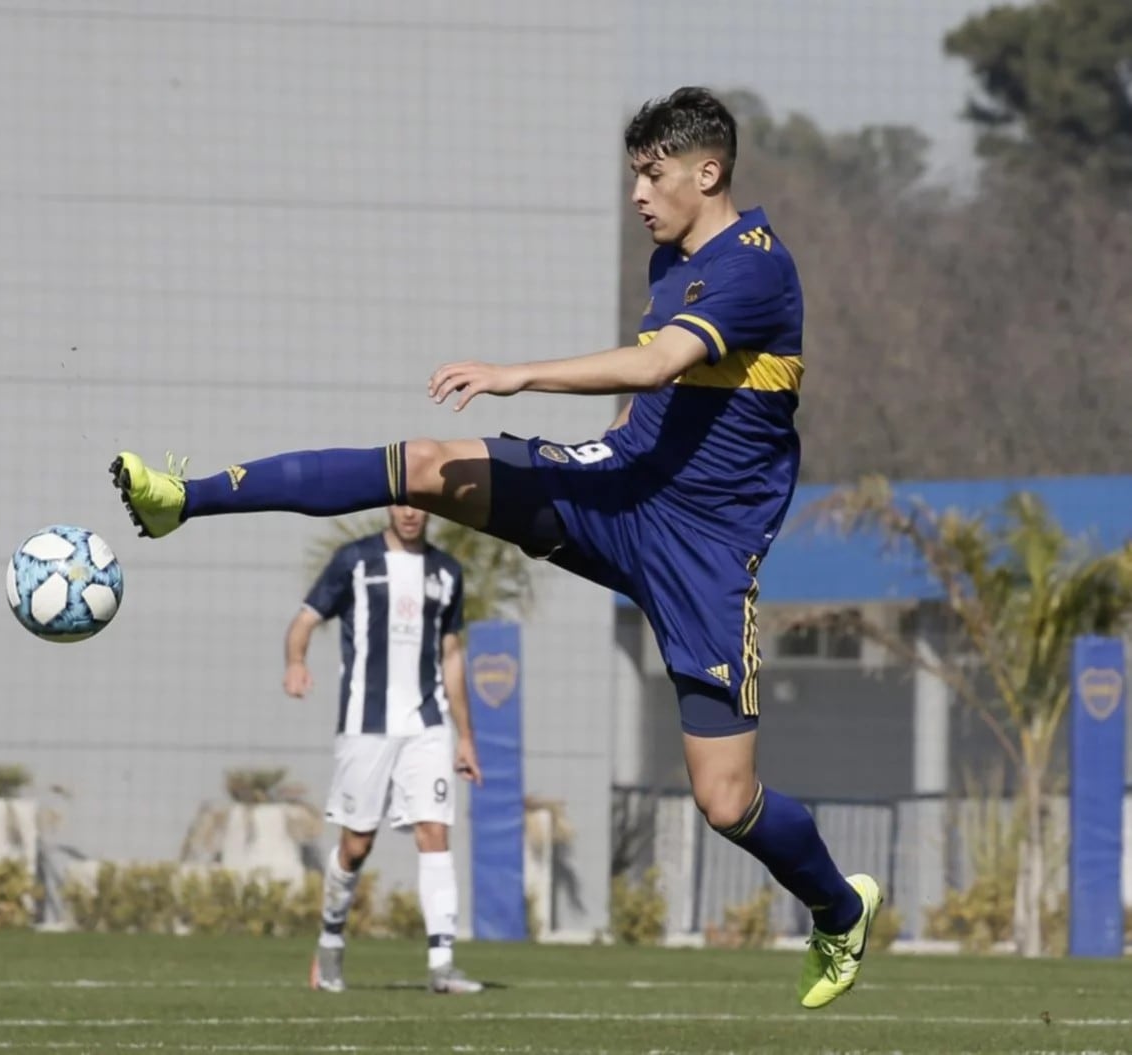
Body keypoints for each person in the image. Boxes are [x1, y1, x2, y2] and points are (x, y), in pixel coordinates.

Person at [110, 87, 879, 1009]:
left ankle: (839, 909)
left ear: (706, 172)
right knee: (424, 464)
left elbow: (657, 364)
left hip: (703, 557)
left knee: (725, 801)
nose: (637, 193)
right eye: (634, 173)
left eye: (653, 173)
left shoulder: (756, 267)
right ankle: (180, 499)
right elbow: (664, 401)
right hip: (612, 488)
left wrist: (518, 375)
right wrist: (595, 442)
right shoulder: (669, 259)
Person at [286, 505, 483, 995]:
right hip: (366, 723)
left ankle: (442, 963)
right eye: (402, 503)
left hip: (428, 723)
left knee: (434, 830)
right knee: (357, 844)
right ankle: (330, 945)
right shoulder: (354, 560)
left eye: (420, 504)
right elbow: (306, 620)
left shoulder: (446, 571)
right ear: (390, 506)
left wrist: (466, 736)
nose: (411, 513)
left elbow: (452, 655)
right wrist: (295, 661)